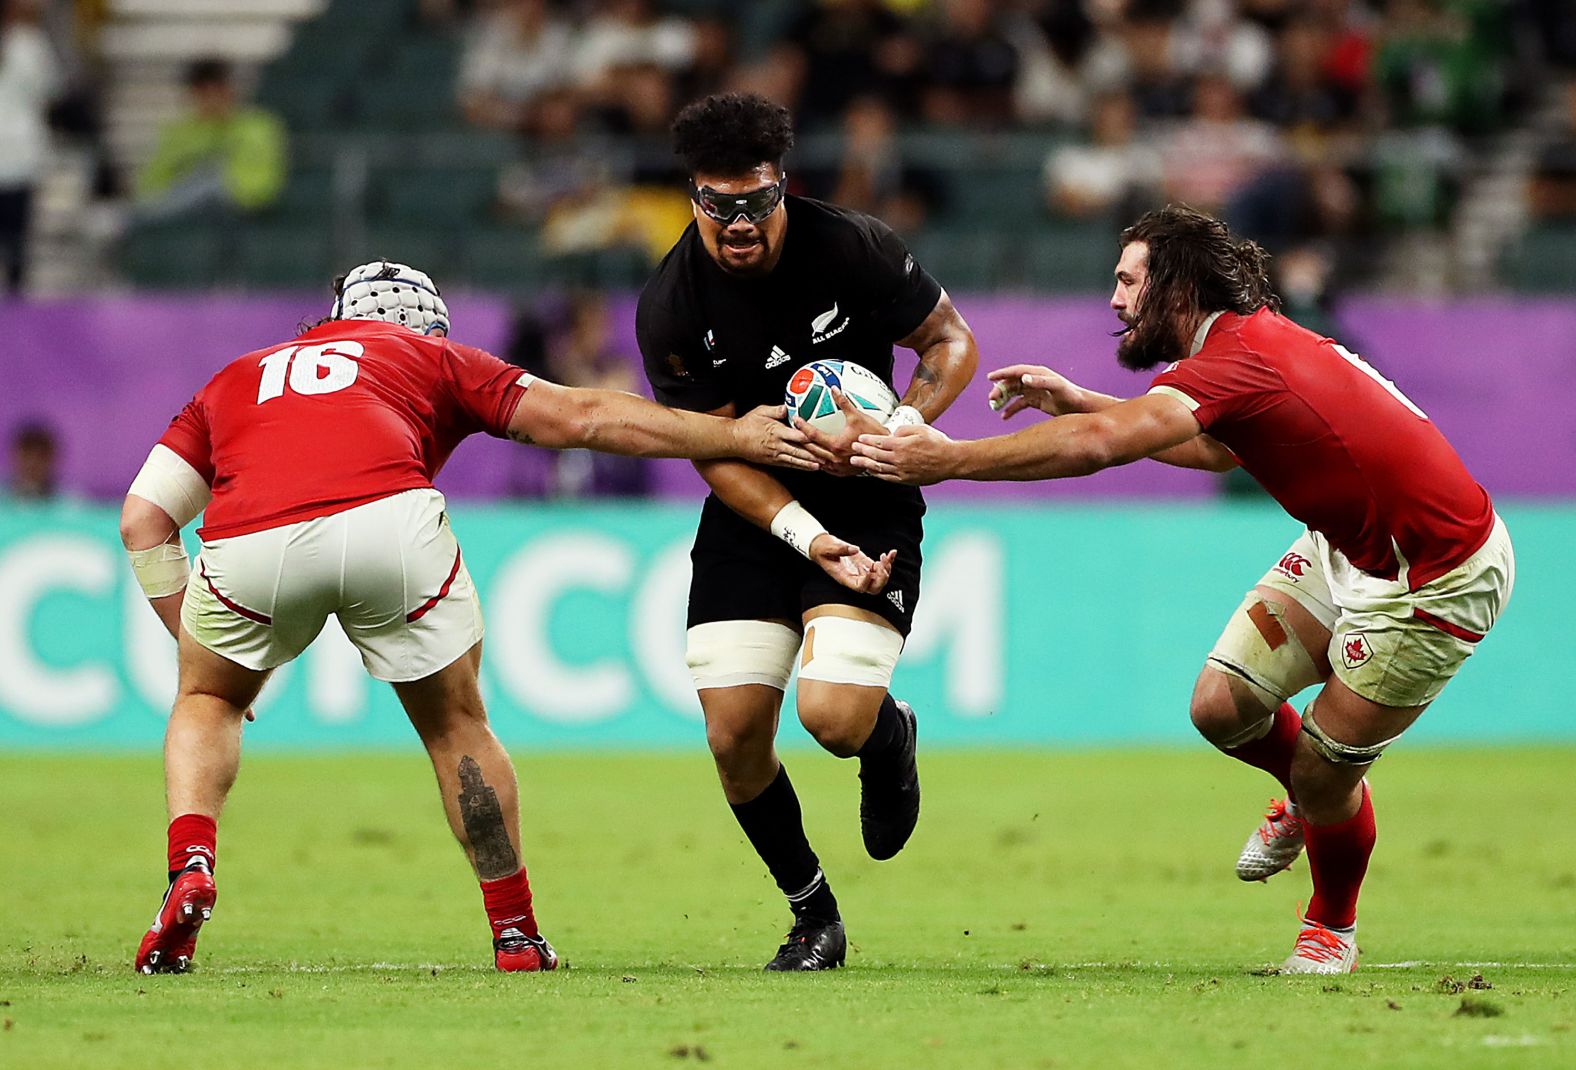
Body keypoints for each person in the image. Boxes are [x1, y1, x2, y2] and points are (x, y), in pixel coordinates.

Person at [850, 204, 1513, 974]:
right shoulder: (1241, 345)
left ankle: (1330, 928)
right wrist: (1084, 399)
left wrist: (947, 459)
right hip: (1346, 548)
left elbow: (1101, 449)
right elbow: (1219, 450)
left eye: (1129, 281)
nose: (1115, 300)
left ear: (1176, 287)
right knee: (1220, 706)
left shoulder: (1236, 358)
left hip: (1435, 576)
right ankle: (1304, 799)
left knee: (1325, 774)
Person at [122, 260, 817, 976]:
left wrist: (197, 644)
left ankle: (191, 867)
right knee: (456, 727)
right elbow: (583, 416)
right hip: (389, 523)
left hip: (250, 541)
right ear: (424, 326)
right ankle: (516, 933)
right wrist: (731, 438)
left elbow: (143, 520)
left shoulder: (235, 377)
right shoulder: (431, 356)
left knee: (208, 700)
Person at [635, 93, 978, 970]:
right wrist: (802, 535)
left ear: (780, 187)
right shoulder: (671, 305)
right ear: (694, 199)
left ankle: (887, 735)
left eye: (755, 201)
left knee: (830, 718)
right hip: (755, 512)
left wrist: (897, 426)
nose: (739, 221)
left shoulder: (851, 246)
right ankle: (812, 913)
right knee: (733, 737)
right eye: (719, 204)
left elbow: (949, 341)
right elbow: (715, 452)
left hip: (869, 495)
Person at [134, 58, 286, 222]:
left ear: (229, 89)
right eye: (204, 93)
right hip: (186, 210)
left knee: (210, 178)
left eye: (216, 91)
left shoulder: (258, 124)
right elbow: (150, 185)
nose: (211, 100)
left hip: (242, 206)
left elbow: (263, 181)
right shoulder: (178, 133)